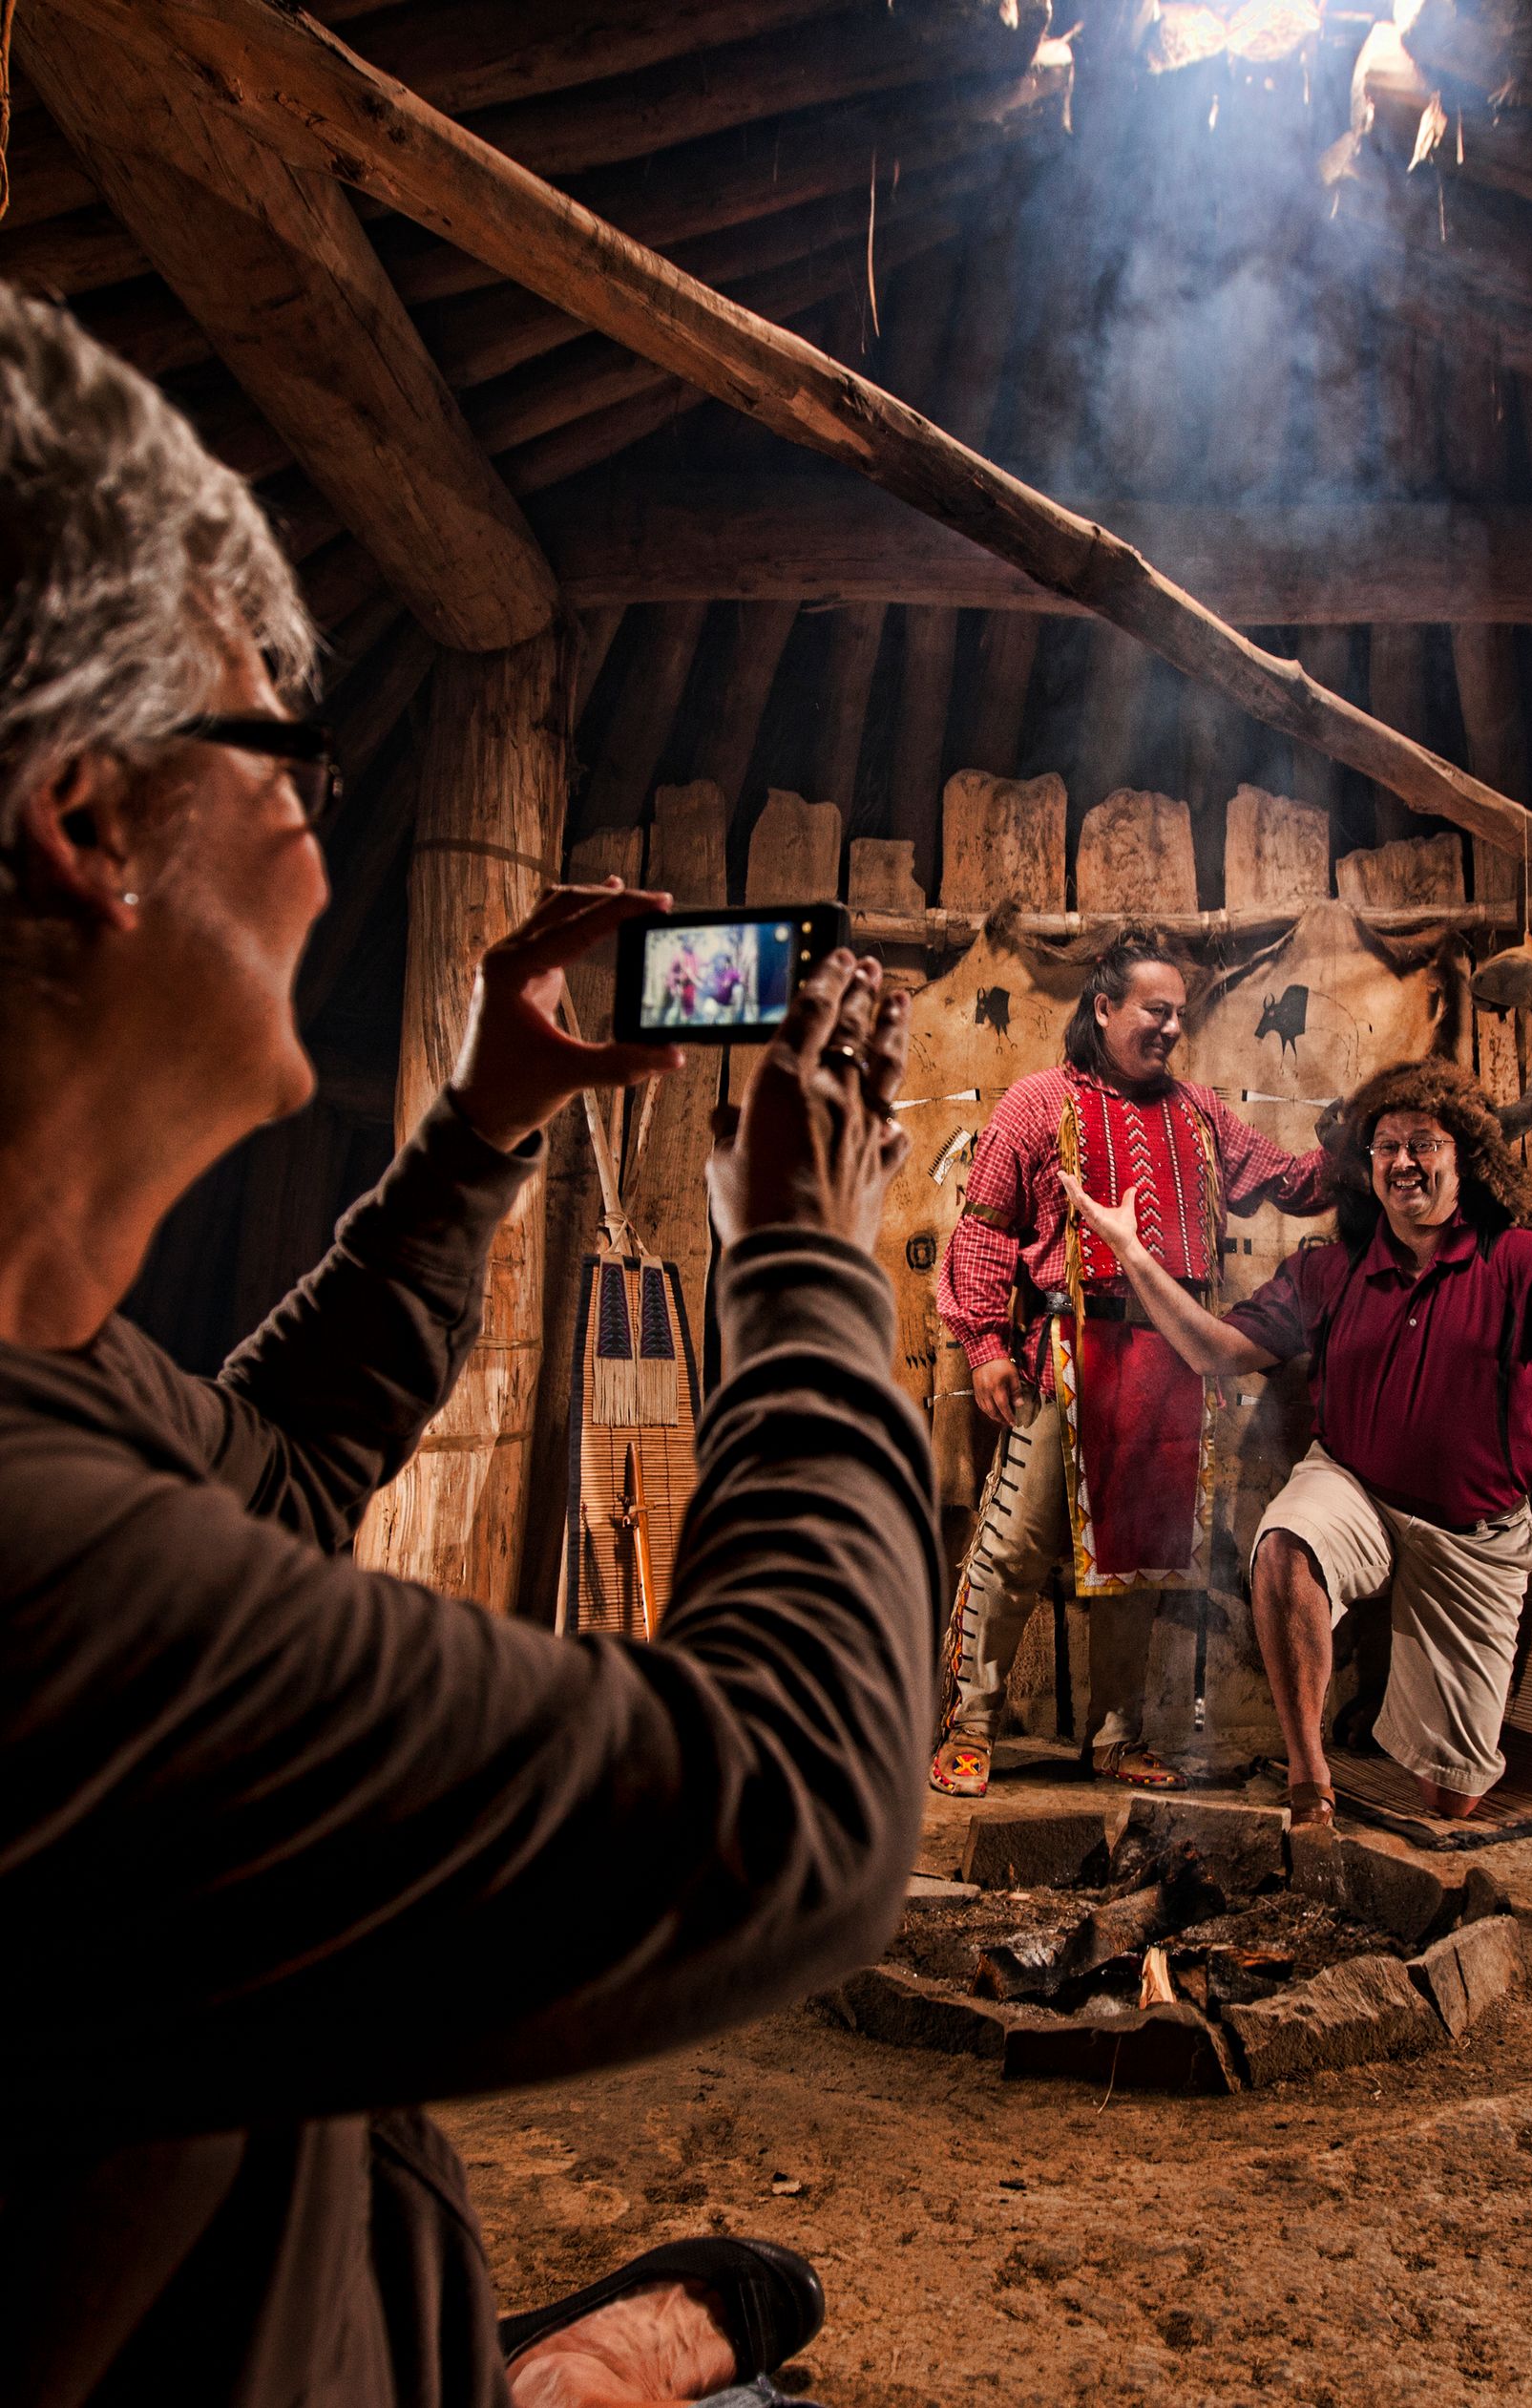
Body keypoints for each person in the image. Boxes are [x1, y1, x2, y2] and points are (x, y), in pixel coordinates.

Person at [0, 285, 938, 2404]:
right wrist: (805, 1257)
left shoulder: (54, 1404)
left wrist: (483, 1125)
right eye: (284, 760)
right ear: (87, 821)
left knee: (724, 2319)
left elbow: (269, 1470)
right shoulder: (35, 1581)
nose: (321, 850)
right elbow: (793, 1800)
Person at [1063, 1054, 1532, 1824]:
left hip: (1471, 1531)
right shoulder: (1329, 1272)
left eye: (1423, 1143)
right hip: (1354, 1486)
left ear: (1467, 1157)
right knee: (1287, 1543)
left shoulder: (1518, 1257)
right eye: (1386, 1146)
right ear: (1366, 1167)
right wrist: (1132, 1252)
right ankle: (1310, 1782)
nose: (1402, 1161)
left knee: (1453, 1797)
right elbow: (1212, 1351)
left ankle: (1415, 1704)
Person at [931, 929, 1333, 1798]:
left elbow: (1290, 1180)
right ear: (1105, 1006)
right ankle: (970, 1727)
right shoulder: (1039, 1103)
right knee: (1016, 1547)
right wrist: (986, 1345)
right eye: (1156, 1010)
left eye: (1179, 1014)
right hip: (1067, 1358)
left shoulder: (1201, 1112)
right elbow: (983, 1231)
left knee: (1146, 1562)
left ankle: (1116, 1737)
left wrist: (1361, 1143)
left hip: (1173, 1367)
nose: (1171, 1028)